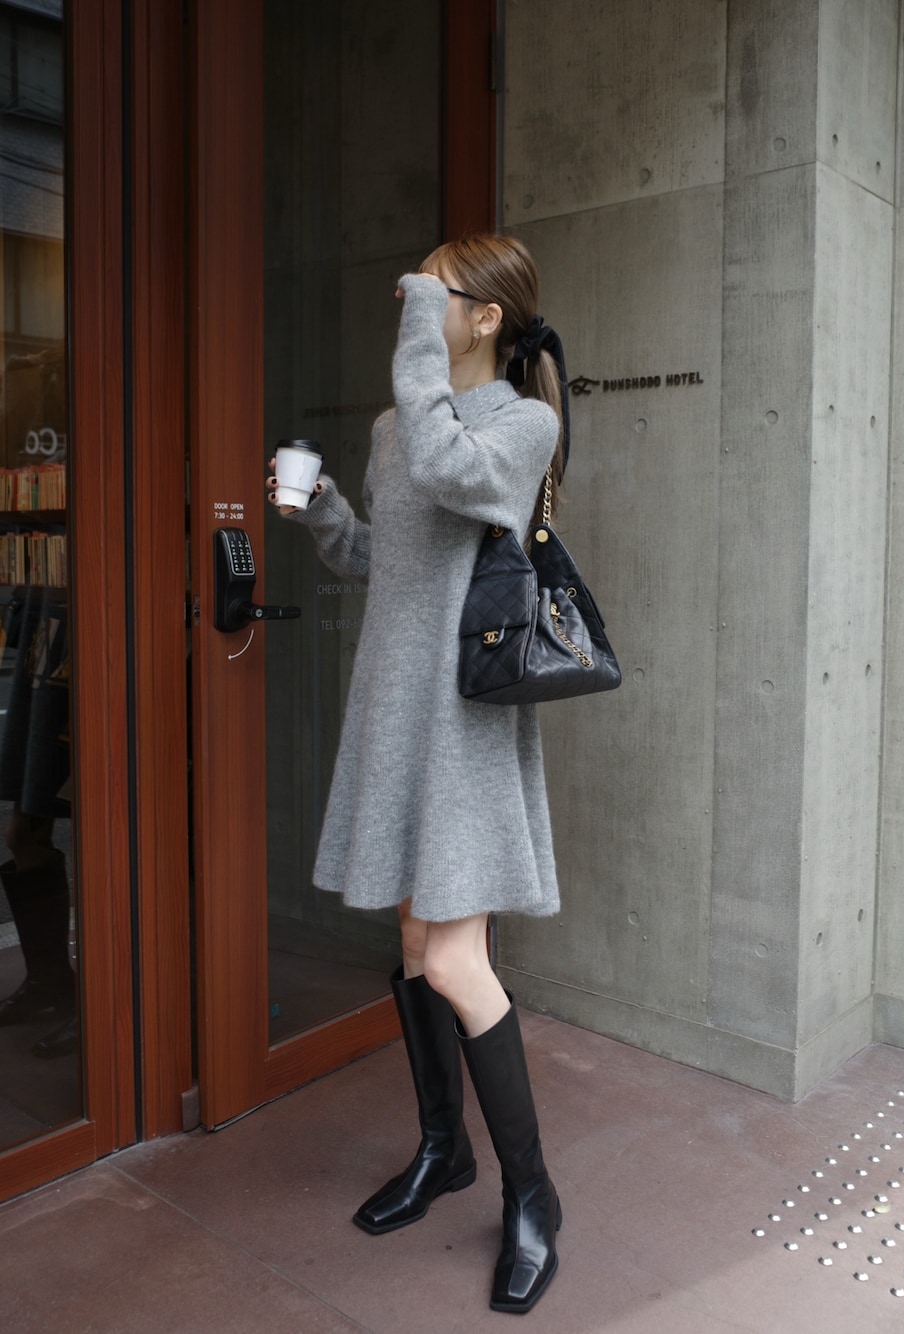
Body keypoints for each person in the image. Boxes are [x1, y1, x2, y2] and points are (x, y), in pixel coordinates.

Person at [267, 233, 568, 1314]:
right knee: (409, 942)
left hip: (464, 721)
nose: (409, 301)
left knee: (452, 956)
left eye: (429, 292)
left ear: (482, 316)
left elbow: (451, 472)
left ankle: (533, 1197)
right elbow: (380, 559)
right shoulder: (398, 426)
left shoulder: (521, 424)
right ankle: (445, 1150)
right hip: (393, 709)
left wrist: (413, 347)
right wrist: (319, 510)